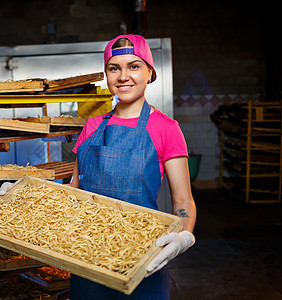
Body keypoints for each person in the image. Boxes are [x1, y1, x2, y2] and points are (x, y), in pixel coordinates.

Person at [66, 34, 197, 299]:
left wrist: (183, 237)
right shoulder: (92, 126)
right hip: (87, 255)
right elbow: (72, 192)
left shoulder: (167, 128)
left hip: (143, 259)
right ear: (107, 76)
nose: (123, 76)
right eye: (114, 68)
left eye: (134, 66)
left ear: (149, 73)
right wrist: (23, 196)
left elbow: (183, 198)